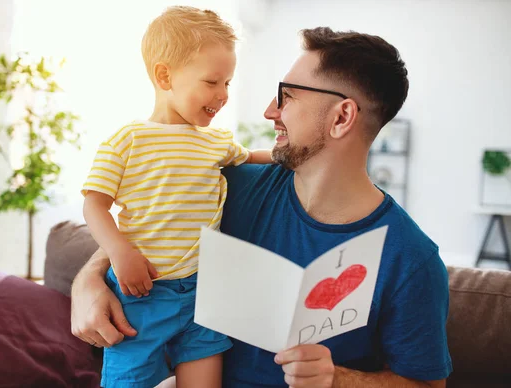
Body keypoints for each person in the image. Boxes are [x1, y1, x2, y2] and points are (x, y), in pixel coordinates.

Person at [73, 26, 452, 388]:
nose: (270, 111)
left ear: (341, 117)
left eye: (287, 95)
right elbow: (151, 224)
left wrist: (338, 379)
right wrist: (89, 281)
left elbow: (427, 383)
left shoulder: (410, 259)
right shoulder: (231, 186)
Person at [80, 6, 272, 388]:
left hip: (205, 293)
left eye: (228, 84)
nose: (223, 95)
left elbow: (252, 157)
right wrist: (120, 252)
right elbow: (94, 204)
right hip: (144, 294)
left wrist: (295, 153)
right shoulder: (126, 140)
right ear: (165, 76)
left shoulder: (218, 142)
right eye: (212, 82)